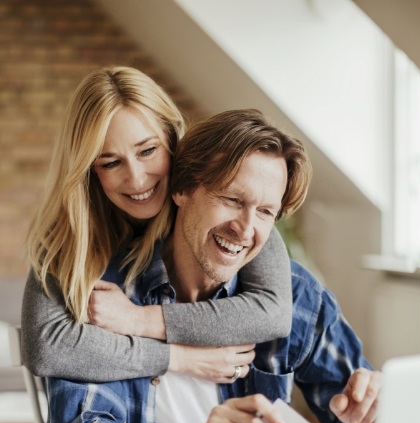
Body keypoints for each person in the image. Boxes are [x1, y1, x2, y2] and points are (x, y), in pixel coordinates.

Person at [45, 109, 380, 423]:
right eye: (232, 200)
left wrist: (373, 419)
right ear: (182, 190)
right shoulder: (106, 297)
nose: (246, 229)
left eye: (265, 212)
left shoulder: (296, 295)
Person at [21, 66, 294, 385]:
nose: (137, 179)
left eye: (147, 151)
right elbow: (46, 347)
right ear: (89, 170)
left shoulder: (217, 202)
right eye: (111, 162)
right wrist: (180, 358)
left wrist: (137, 320)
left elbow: (272, 313)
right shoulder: (70, 233)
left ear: (171, 138)